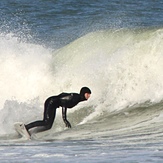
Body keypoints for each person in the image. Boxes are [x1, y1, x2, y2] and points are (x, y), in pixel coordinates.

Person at [25, 87, 91, 135]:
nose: (89, 96)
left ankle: (32, 132)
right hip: (51, 102)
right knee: (45, 121)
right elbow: (64, 102)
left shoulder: (77, 98)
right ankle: (26, 127)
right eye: (88, 94)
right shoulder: (76, 97)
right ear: (83, 93)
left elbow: (63, 94)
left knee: (48, 126)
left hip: (54, 104)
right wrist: (64, 119)